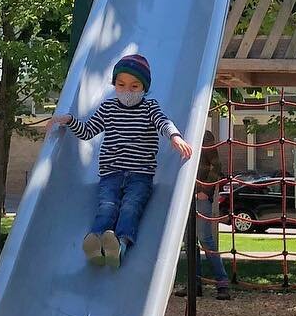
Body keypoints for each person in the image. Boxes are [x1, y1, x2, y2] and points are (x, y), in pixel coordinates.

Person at [47, 52, 190, 267]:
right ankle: (96, 240)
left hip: (140, 173)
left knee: (131, 206)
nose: (126, 91)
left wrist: (175, 136)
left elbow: (163, 122)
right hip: (111, 172)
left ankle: (120, 244)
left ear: (144, 88)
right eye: (121, 85)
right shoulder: (108, 108)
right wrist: (69, 120)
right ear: (114, 85)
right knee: (107, 205)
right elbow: (87, 131)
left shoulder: (149, 107)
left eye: (134, 86)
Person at [193, 123, 232, 299]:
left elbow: (216, 166)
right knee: (189, 240)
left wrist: (206, 190)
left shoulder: (204, 135)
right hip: (186, 196)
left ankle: (222, 282)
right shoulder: (178, 135)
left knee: (205, 238)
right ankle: (194, 283)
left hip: (200, 195)